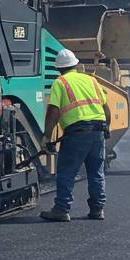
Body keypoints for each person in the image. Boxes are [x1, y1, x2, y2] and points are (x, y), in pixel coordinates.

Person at [40, 48, 110, 222]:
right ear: (76, 65)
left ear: (59, 68)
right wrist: (106, 128)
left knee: (66, 171)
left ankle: (62, 209)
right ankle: (97, 209)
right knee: (96, 171)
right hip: (98, 130)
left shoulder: (60, 82)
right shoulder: (91, 80)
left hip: (77, 133)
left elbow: (53, 111)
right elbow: (105, 108)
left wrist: (46, 137)